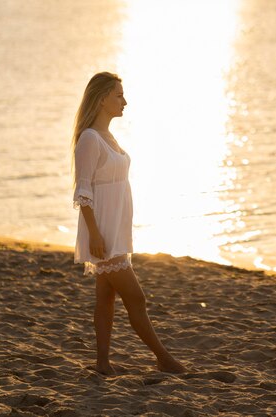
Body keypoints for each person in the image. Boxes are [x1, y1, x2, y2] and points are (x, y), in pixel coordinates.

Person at [71, 71, 188, 375]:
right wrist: (94, 233)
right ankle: (163, 358)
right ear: (101, 99)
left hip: (115, 228)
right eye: (119, 95)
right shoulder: (89, 139)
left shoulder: (108, 137)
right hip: (103, 232)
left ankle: (102, 363)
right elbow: (83, 191)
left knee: (105, 296)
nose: (125, 101)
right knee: (136, 296)